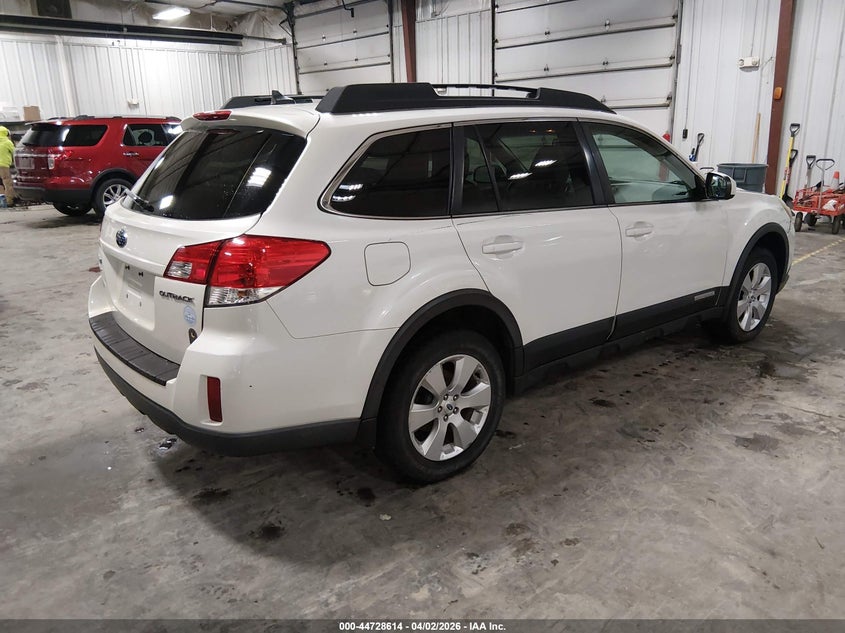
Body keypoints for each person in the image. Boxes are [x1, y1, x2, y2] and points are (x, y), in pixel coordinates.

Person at [0, 126, 18, 207]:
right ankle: (10, 201)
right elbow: (15, 153)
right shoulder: (7, 142)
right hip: (3, 165)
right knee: (7, 183)